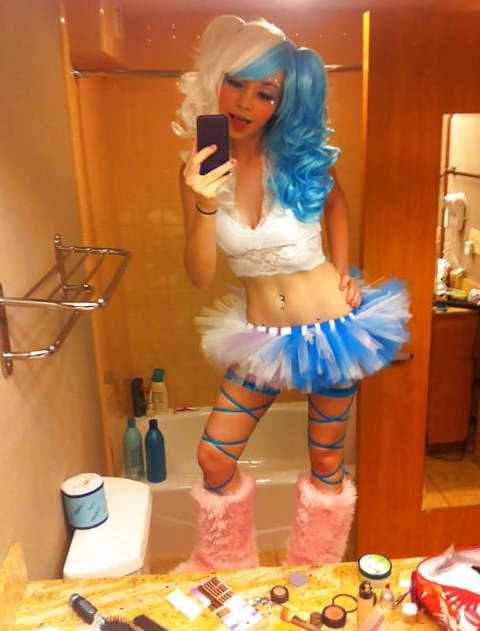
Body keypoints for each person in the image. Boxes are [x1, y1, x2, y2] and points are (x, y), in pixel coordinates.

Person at [171, 15, 410, 573]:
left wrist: (345, 269)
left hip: (333, 328)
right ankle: (227, 569)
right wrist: (203, 202)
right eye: (237, 83)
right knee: (213, 457)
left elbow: (336, 204)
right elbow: (200, 275)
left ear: (281, 103)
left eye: (266, 93)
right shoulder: (198, 171)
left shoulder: (302, 158)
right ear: (216, 80)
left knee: (327, 462)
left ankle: (315, 573)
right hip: (261, 337)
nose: (245, 102)